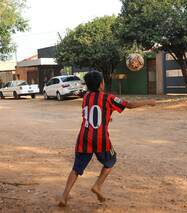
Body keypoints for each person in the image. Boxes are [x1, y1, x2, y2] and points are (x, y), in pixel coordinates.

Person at [58, 71, 156, 207]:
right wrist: (149, 102)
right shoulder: (108, 98)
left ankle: (64, 196)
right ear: (101, 85)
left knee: (76, 168)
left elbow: (93, 113)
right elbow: (129, 105)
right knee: (111, 160)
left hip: (84, 138)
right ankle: (97, 185)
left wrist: (107, 117)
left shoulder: (86, 97)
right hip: (100, 139)